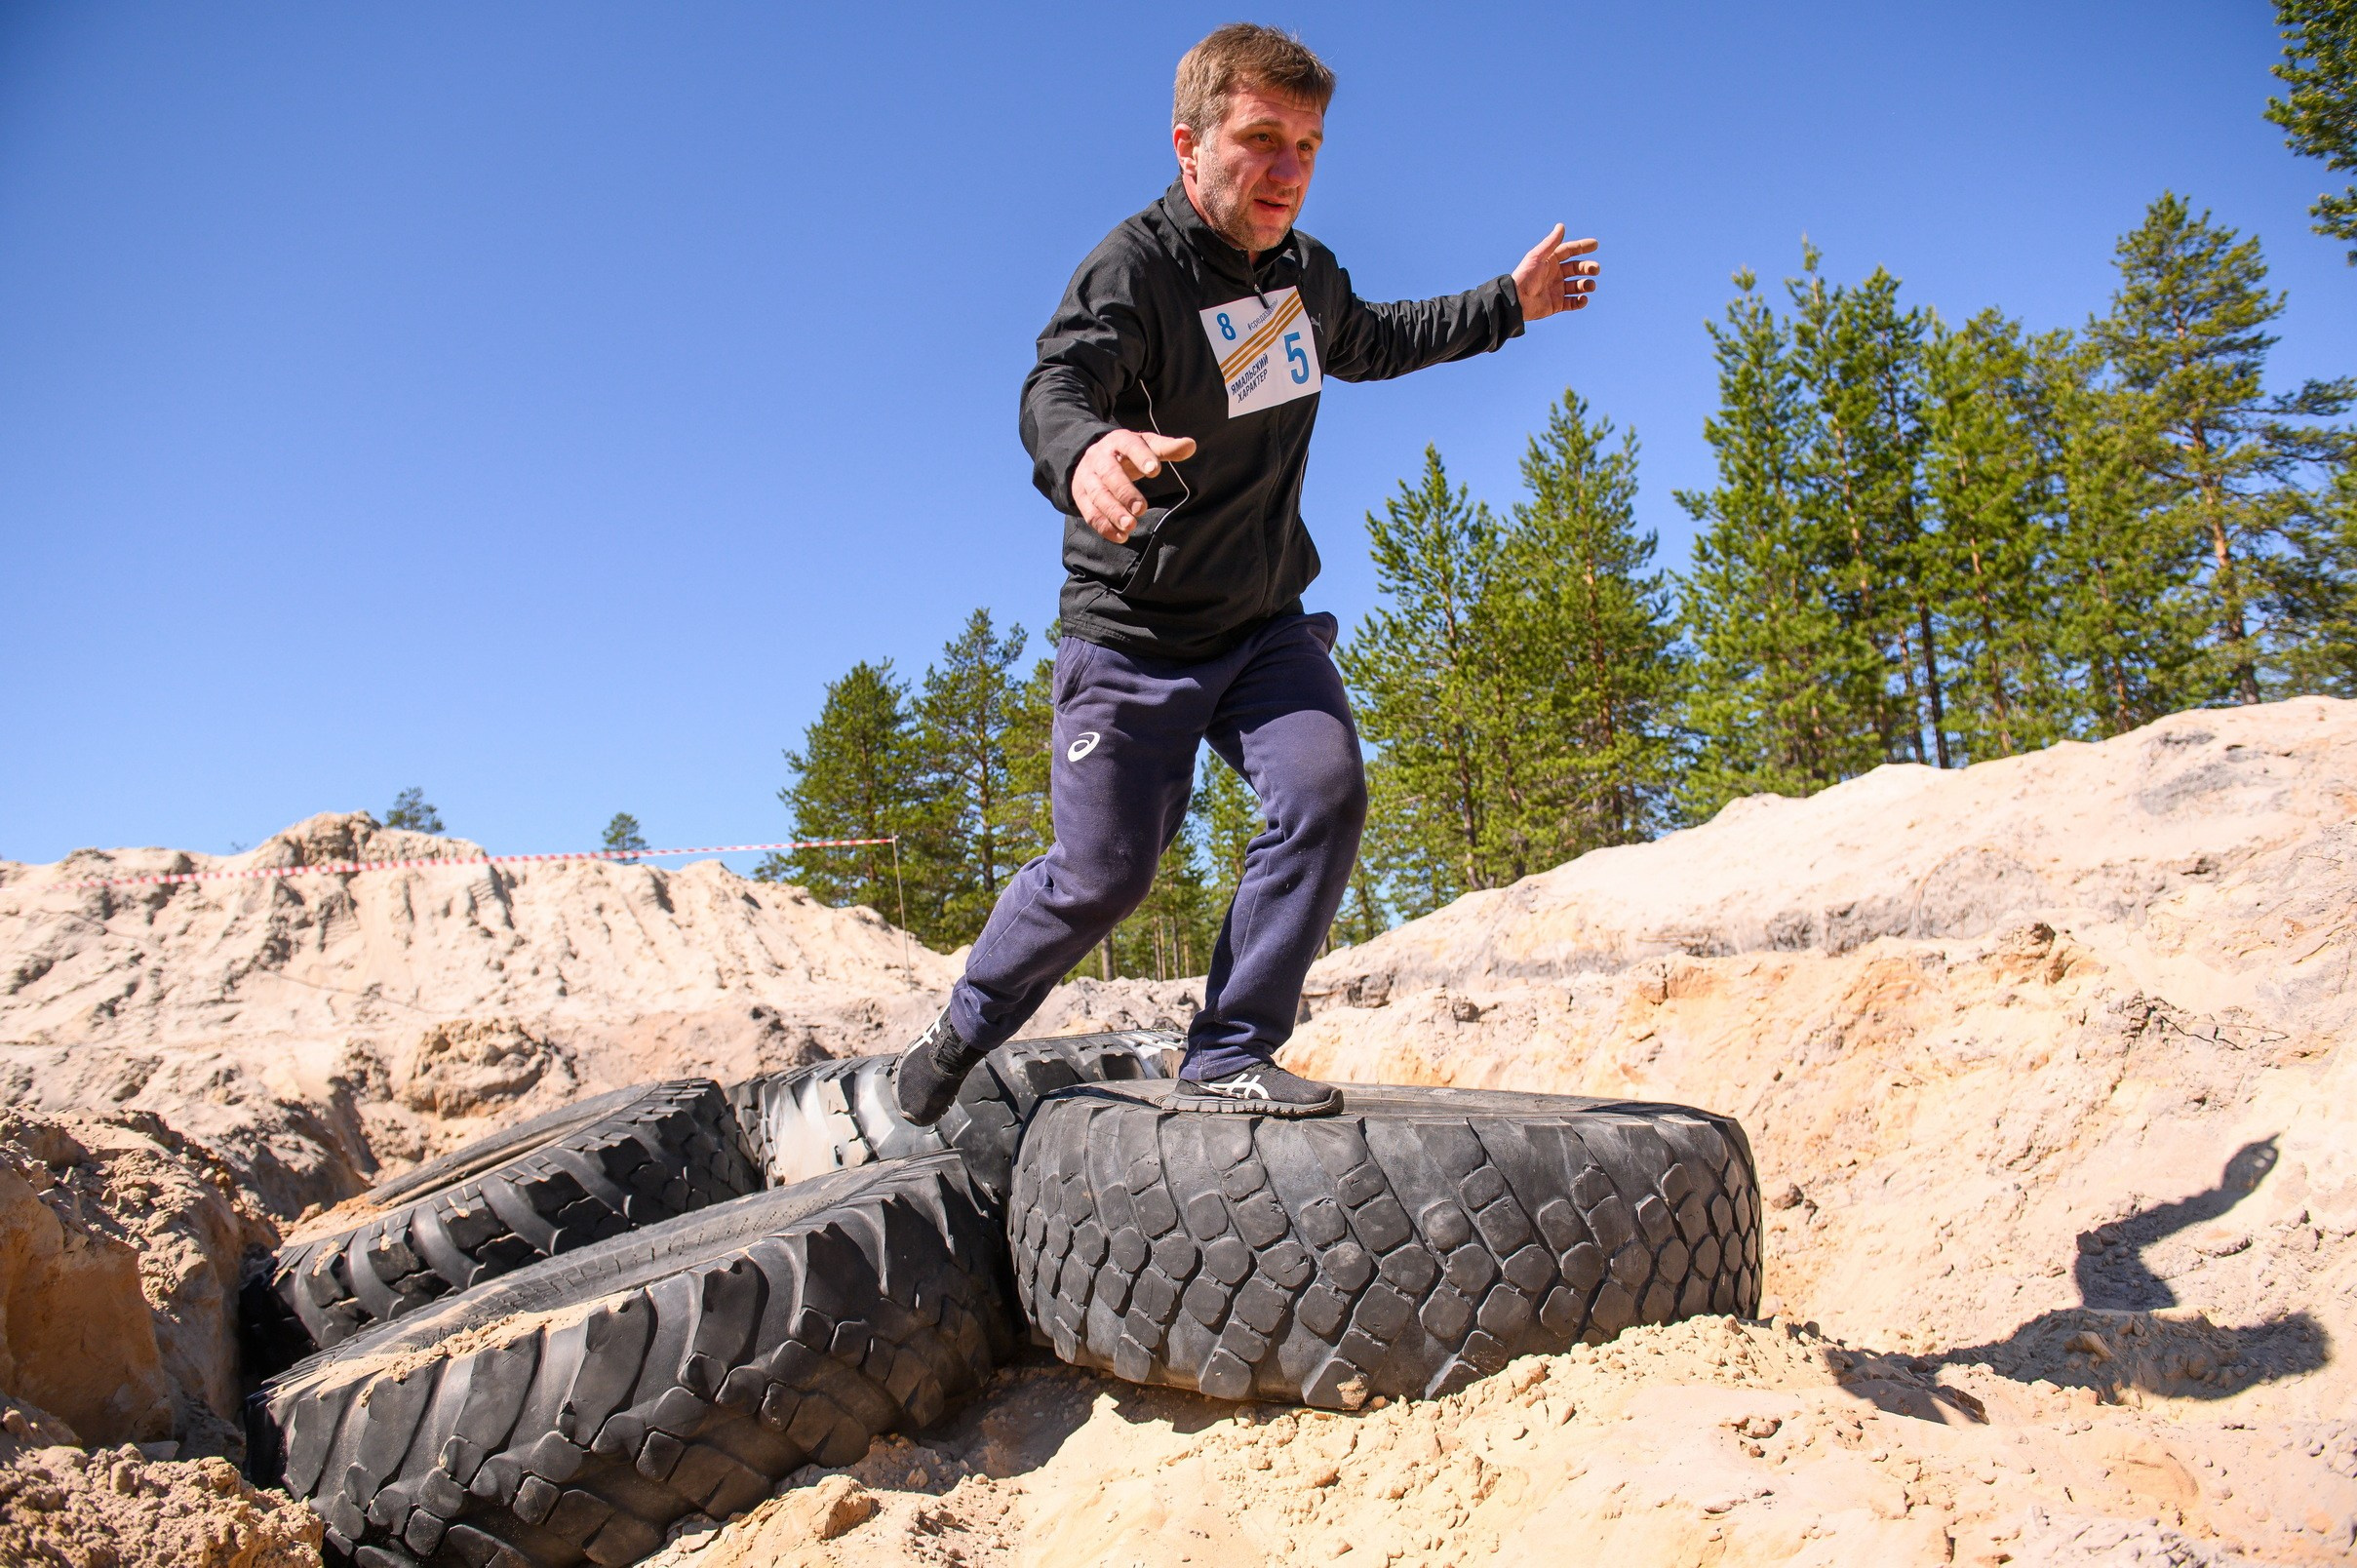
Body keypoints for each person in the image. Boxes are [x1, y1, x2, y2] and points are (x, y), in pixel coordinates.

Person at [896, 22, 1599, 1123]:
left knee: (1323, 794)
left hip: (1263, 627)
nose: (1286, 172)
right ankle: (967, 1023)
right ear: (1190, 147)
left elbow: (1374, 337)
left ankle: (1228, 1051)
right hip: (1132, 637)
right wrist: (1084, 452)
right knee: (1104, 877)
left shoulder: (1306, 277)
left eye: (1307, 148)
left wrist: (1511, 304)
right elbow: (1057, 380)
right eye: (1260, 140)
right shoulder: (1133, 270)